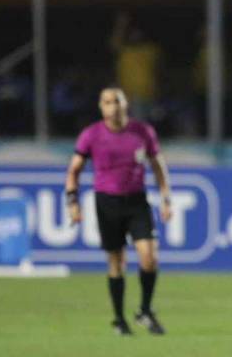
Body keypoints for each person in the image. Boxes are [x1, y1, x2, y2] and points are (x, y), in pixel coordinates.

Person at [66, 88, 172, 336]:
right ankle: (118, 319)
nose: (112, 106)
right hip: (107, 203)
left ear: (126, 104)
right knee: (117, 262)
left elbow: (158, 167)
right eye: (107, 102)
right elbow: (74, 171)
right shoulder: (90, 135)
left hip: (137, 201)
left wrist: (166, 199)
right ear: (101, 107)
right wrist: (73, 202)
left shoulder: (142, 132)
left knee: (149, 257)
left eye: (117, 101)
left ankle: (145, 310)